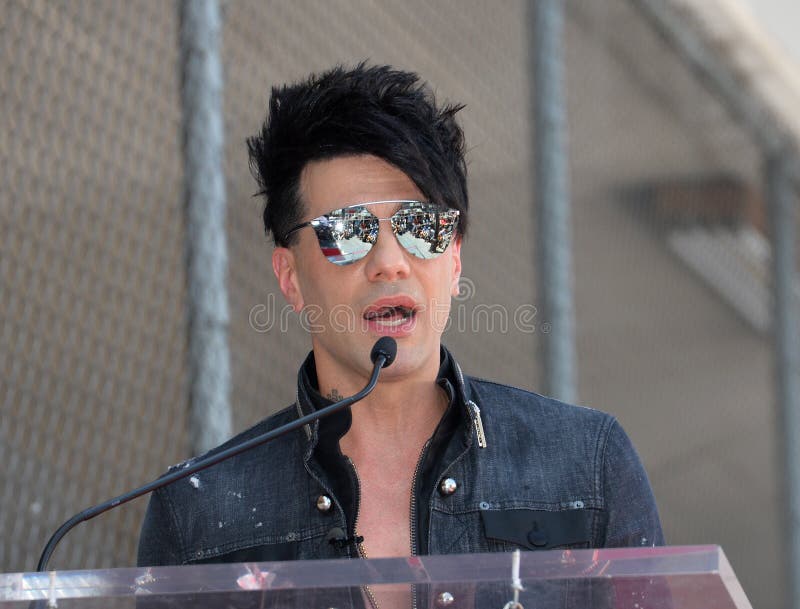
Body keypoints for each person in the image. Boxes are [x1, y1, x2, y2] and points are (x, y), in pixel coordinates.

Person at [138, 64, 663, 578]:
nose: (390, 261)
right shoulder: (198, 513)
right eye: (347, 231)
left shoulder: (587, 466)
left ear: (454, 260)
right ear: (290, 276)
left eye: (421, 227)